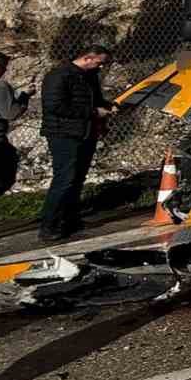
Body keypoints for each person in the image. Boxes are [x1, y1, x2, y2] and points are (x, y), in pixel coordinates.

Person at [38, 44, 116, 243]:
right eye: (99, 63)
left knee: (77, 178)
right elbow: (54, 106)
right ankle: (49, 225)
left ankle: (69, 219)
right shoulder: (59, 75)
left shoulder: (89, 77)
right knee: (65, 179)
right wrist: (93, 113)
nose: (101, 68)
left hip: (85, 132)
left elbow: (94, 100)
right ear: (88, 58)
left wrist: (107, 106)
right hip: (64, 134)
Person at [0, 49, 32, 206]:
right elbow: (10, 113)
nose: (5, 71)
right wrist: (25, 96)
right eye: (4, 67)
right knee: (4, 178)